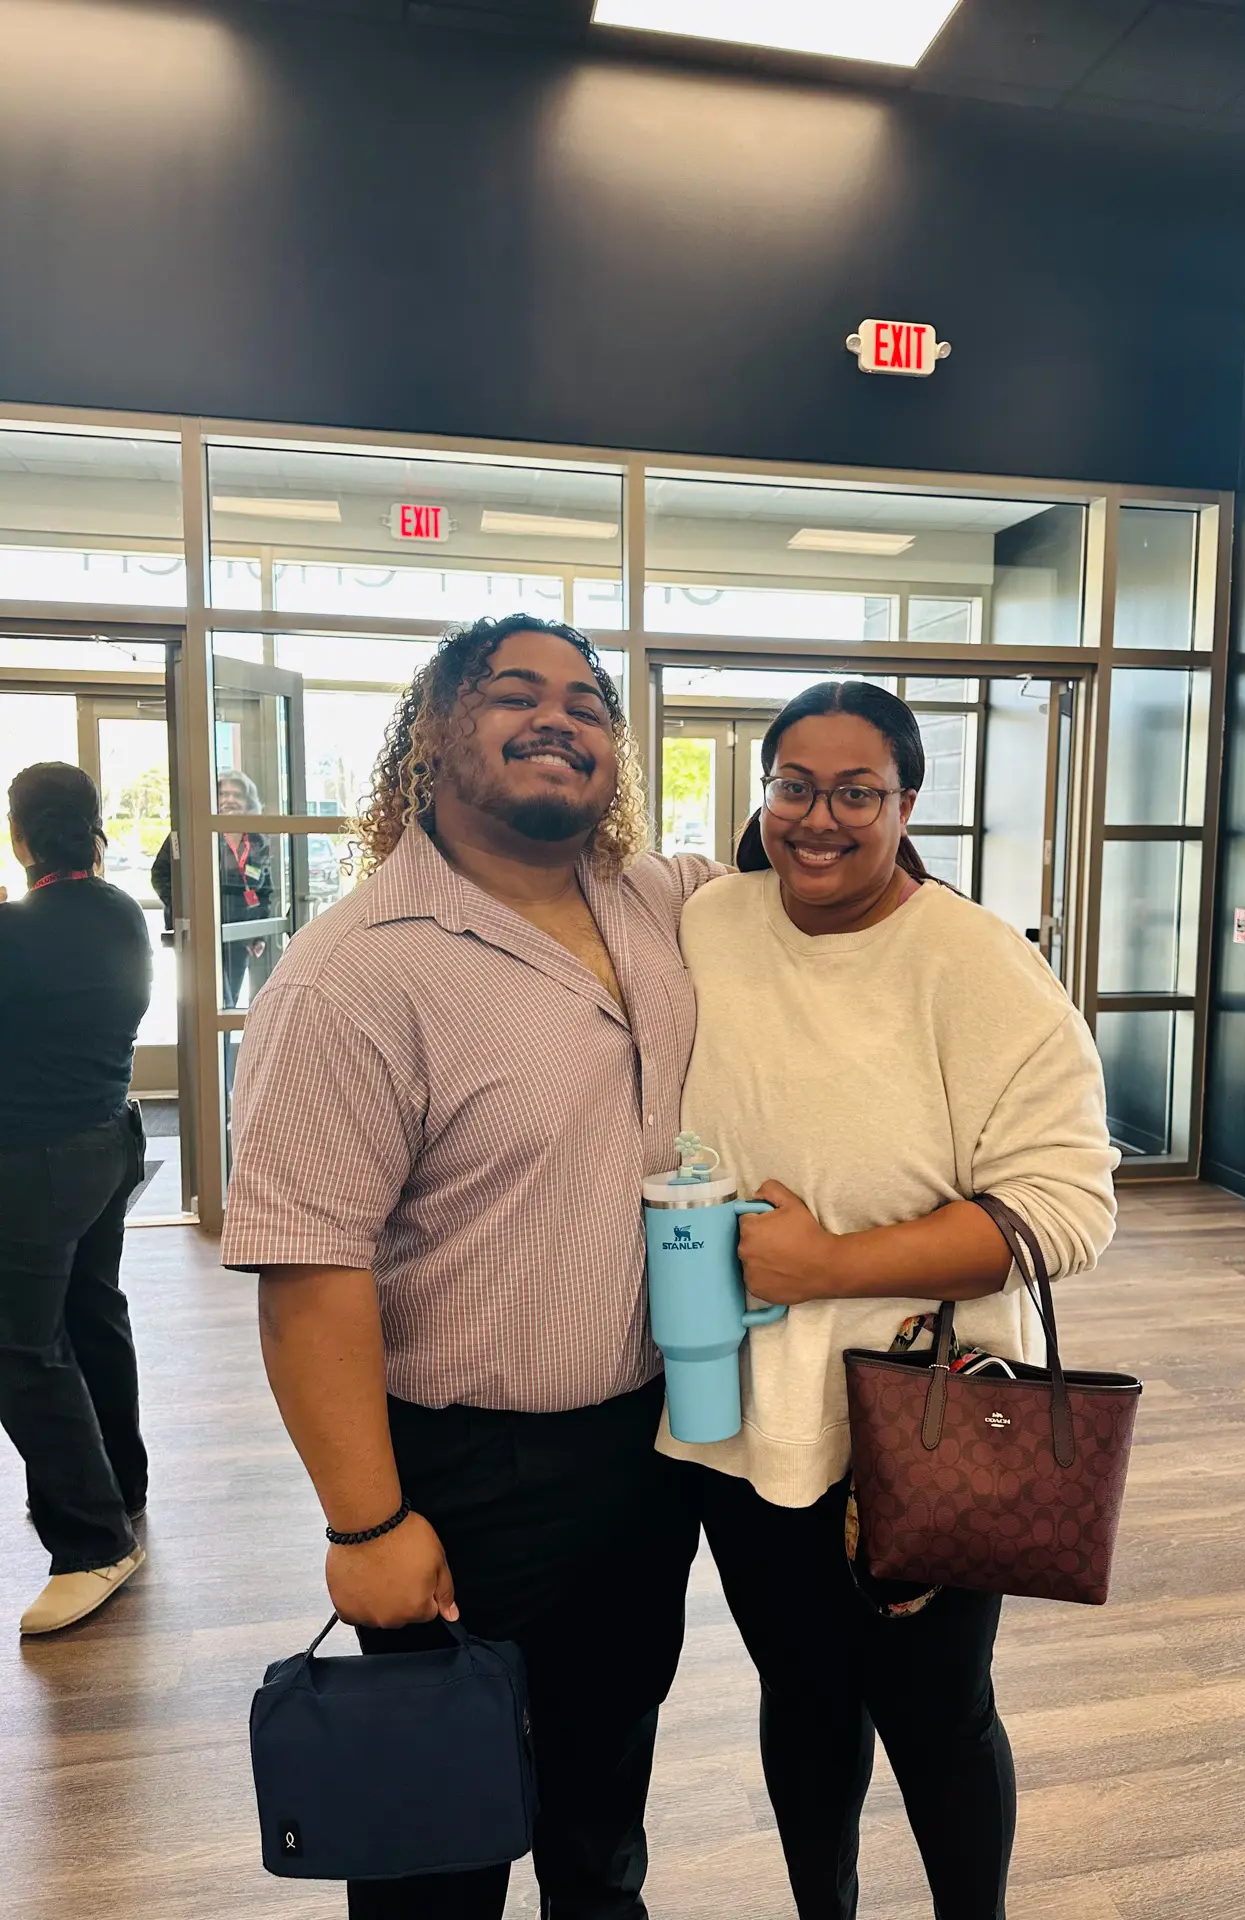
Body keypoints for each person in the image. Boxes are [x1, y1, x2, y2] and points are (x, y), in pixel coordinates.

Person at [221, 614, 721, 1920]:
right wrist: (366, 1525)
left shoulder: (658, 902)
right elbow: (308, 1270)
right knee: (436, 1853)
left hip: (645, 1453)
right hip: (459, 1476)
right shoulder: (354, 974)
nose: (558, 716)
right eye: (513, 692)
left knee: (602, 1822)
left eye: (588, 702)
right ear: (433, 735)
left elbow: (828, 869)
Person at [659, 681, 1119, 1920]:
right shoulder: (711, 920)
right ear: (763, 793)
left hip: (928, 1415)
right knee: (802, 1698)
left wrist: (828, 1265)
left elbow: (1069, 1209)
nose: (820, 818)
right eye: (795, 787)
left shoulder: (978, 962)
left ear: (906, 804)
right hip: (739, 1407)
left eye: (856, 792)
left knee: (935, 1712)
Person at [0, 763, 151, 1635]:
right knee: (92, 1314)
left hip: (35, 1161)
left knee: (20, 1347)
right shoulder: (120, 912)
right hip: (108, 1143)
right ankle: (119, 1486)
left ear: (19, 835)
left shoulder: (16, 931)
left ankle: (93, 1542)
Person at [151, 769, 274, 1007]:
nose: (229, 800)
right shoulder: (192, 833)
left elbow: (264, 891)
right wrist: (183, 907)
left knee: (229, 1003)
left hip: (239, 935)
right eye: (223, 794)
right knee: (214, 1003)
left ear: (247, 802)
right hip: (202, 933)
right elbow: (160, 874)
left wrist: (258, 933)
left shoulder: (257, 840)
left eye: (237, 795)